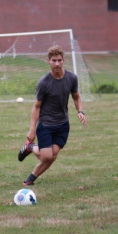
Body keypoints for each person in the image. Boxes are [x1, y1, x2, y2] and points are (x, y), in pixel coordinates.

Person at [18, 45, 87, 186]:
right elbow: (36, 106)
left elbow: (76, 98)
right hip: (46, 125)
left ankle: (30, 179)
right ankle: (30, 147)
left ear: (63, 60)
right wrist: (32, 129)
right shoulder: (44, 82)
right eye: (53, 60)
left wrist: (80, 111)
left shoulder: (72, 78)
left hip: (63, 125)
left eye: (59, 60)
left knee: (52, 157)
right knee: (47, 156)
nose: (57, 64)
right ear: (48, 61)